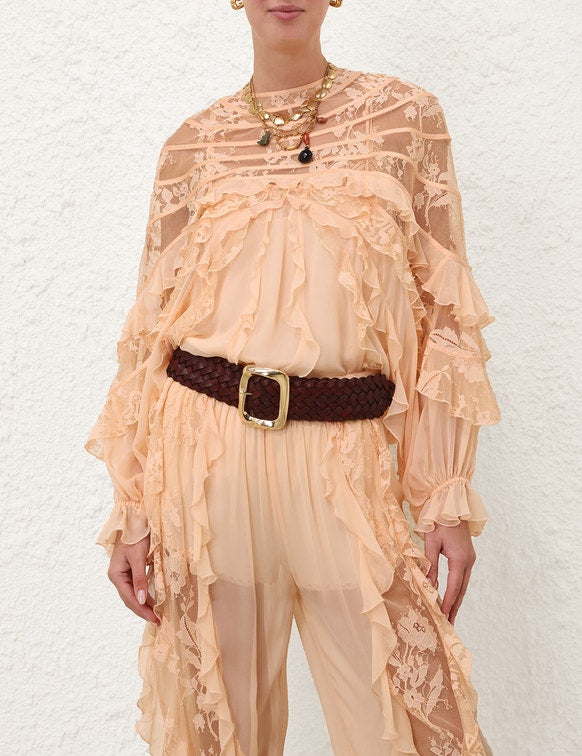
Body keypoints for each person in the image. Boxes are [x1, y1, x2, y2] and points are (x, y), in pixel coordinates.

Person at [84, 1, 501, 753]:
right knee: (223, 728)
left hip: (345, 454)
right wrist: (133, 504)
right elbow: (150, 331)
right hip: (205, 459)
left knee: (409, 722)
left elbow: (444, 313)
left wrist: (443, 491)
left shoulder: (406, 120)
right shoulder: (192, 146)